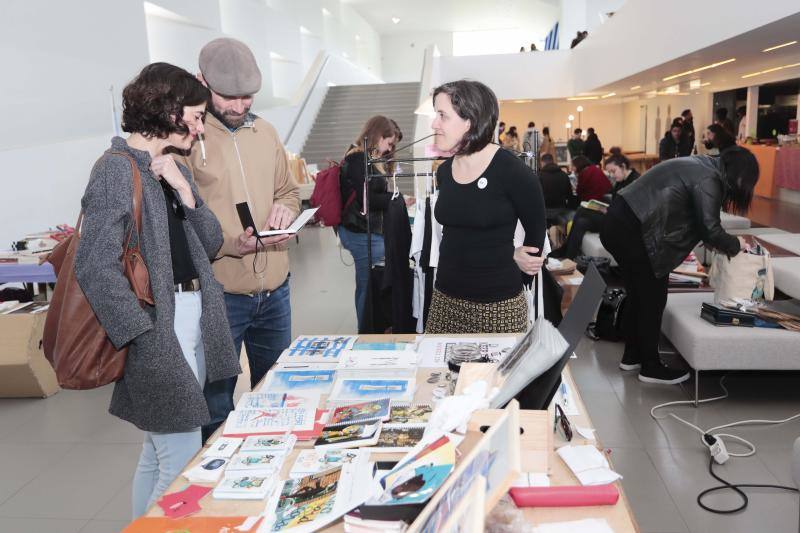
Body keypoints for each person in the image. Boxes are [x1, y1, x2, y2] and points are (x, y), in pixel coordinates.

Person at [74, 63, 241, 518]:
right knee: (183, 457)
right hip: (158, 331)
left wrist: (185, 191)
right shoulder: (115, 170)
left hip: (191, 319)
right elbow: (94, 266)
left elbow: (209, 243)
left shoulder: (169, 167)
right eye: (196, 114)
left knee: (158, 453)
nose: (201, 125)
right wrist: (144, 335)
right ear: (169, 111)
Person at [178, 38, 300, 442]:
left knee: (276, 393)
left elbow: (289, 190)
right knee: (216, 404)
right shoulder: (188, 141)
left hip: (276, 290)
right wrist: (232, 243)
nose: (238, 107)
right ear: (202, 83)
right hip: (221, 294)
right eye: (228, 97)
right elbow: (183, 218)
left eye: (246, 97)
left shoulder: (266, 132)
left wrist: (285, 207)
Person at [600, 147, 759, 384]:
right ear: (740, 175)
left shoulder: (702, 164)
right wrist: (736, 245)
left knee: (638, 294)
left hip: (619, 221)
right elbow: (710, 228)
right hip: (634, 228)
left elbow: (696, 218)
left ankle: (632, 356)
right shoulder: (710, 178)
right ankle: (650, 367)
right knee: (653, 298)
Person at [425, 80, 546, 334]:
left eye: (442, 115)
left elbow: (535, 240)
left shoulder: (513, 173)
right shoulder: (445, 171)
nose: (434, 124)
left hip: (498, 306)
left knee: (496, 375)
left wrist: (514, 262)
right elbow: (459, 235)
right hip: (445, 301)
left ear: (469, 121)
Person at [338, 116, 402, 332]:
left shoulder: (366, 158)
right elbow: (368, 201)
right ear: (377, 136)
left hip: (365, 230)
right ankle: (366, 332)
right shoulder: (357, 159)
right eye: (389, 142)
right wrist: (395, 198)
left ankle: (368, 329)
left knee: (367, 284)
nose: (389, 148)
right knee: (368, 285)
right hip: (359, 231)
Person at [550, 150, 638, 260]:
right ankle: (569, 257)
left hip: (620, 224)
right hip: (613, 217)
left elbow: (629, 211)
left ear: (623, 166)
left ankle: (565, 249)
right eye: (610, 172)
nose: (612, 175)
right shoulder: (621, 181)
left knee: (582, 210)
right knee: (582, 222)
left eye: (613, 171)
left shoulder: (635, 182)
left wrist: (608, 210)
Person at [539, 153, 575, 225]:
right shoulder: (564, 175)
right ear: (553, 161)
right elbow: (569, 195)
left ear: (542, 162)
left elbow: (537, 196)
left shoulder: (540, 176)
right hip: (561, 210)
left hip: (545, 212)